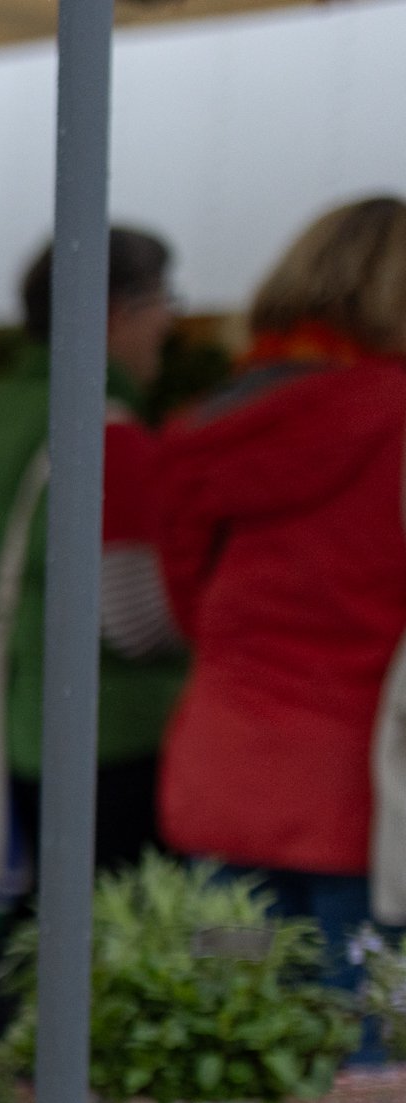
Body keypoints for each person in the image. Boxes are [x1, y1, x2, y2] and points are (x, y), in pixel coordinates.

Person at [156, 196, 406, 974]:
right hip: (362, 798)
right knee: (369, 1068)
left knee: (231, 1059)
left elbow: (188, 603)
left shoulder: (206, 425)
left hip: (218, 778)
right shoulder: (396, 416)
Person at [0, 226, 187, 882]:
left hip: (4, 724)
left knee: (27, 940)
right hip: (106, 739)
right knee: (102, 951)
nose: (170, 322)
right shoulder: (108, 435)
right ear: (115, 313)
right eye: (163, 302)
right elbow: (133, 620)